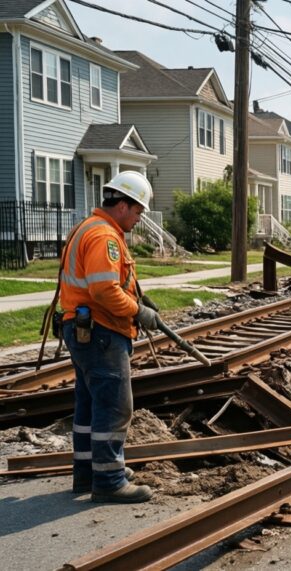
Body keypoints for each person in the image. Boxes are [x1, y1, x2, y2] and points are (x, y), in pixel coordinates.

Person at [59, 171, 160, 504]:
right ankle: (109, 481)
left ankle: (88, 472)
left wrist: (138, 299)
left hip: (83, 330)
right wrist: (137, 311)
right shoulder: (105, 236)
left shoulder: (87, 228)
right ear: (123, 205)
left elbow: (104, 284)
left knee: (89, 405)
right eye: (137, 211)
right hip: (102, 332)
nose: (138, 218)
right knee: (115, 405)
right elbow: (103, 290)